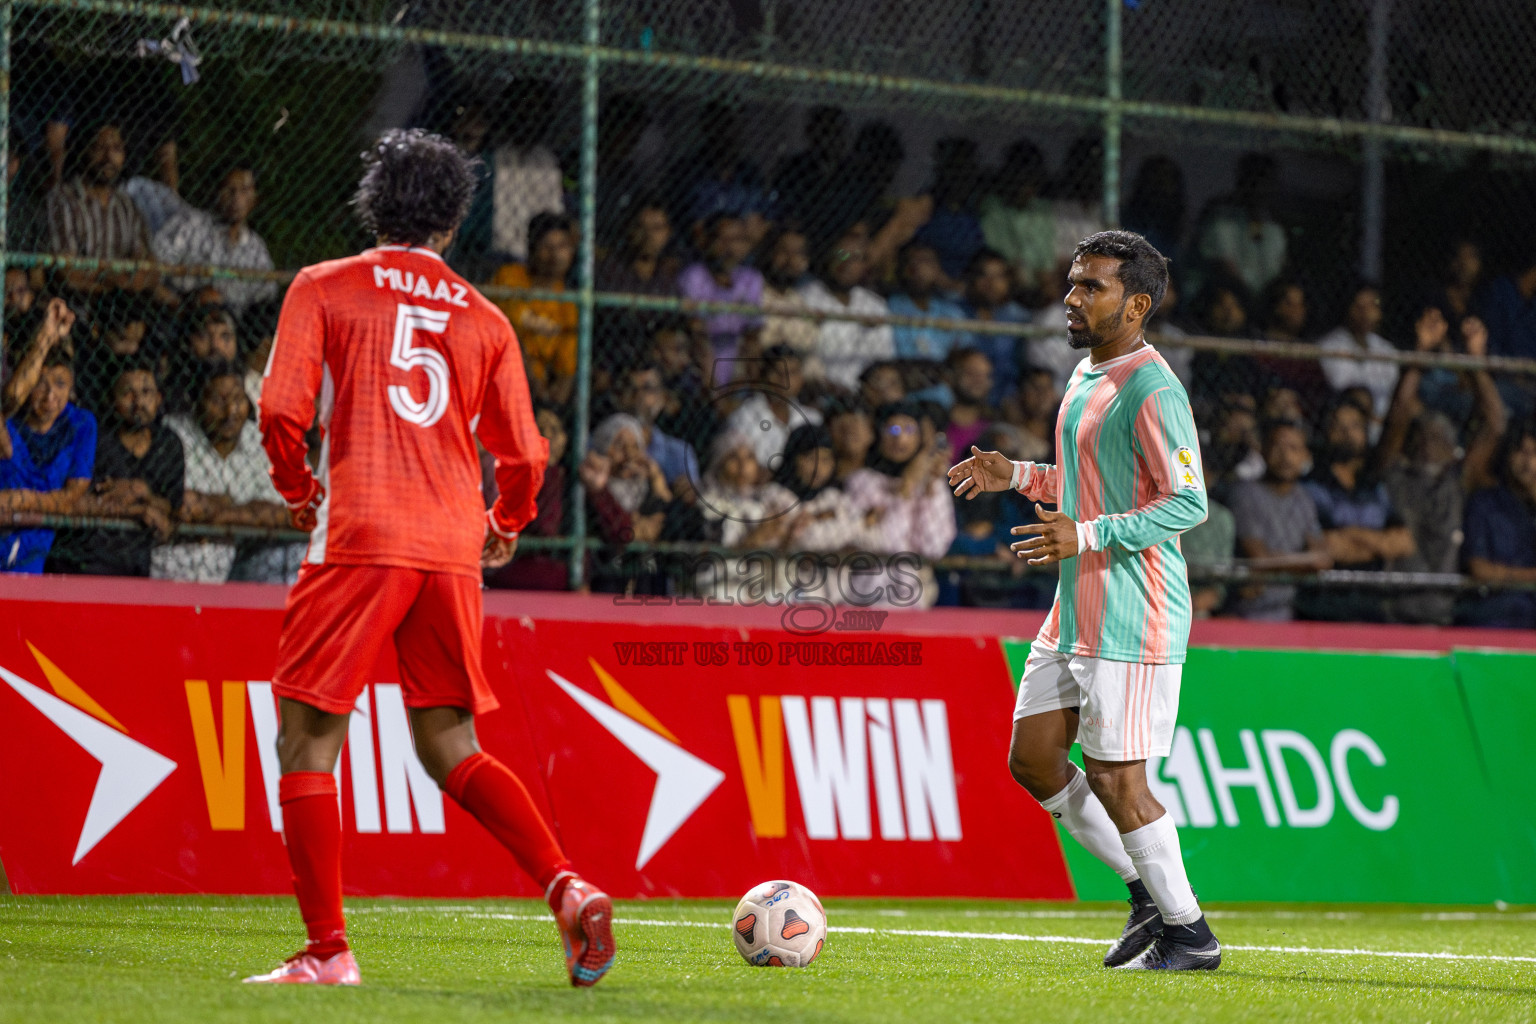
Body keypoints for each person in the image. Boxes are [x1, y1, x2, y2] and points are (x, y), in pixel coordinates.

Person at [245, 129, 613, 987]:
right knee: (450, 742)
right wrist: (507, 519)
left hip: (361, 531)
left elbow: (278, 409)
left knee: (306, 739)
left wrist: (297, 490)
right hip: (450, 546)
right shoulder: (484, 318)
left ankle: (328, 952)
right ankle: (567, 886)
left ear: (374, 203)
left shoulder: (324, 286)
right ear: (452, 221)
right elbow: (527, 450)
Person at [948, 230, 1220, 970]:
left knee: (1117, 779)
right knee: (1034, 759)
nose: (1071, 298)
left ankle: (1189, 933)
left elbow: (1188, 502)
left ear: (1135, 305)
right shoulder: (1083, 373)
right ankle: (1145, 896)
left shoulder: (1154, 388)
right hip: (1076, 607)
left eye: (1090, 287)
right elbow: (1090, 481)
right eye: (1072, 283)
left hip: (1133, 611)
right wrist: (1022, 477)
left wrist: (1089, 532)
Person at [49, 361, 184, 576]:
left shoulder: (168, 444)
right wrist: (140, 508)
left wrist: (142, 492)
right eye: (127, 393)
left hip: (135, 564)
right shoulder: (97, 439)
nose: (138, 402)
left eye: (146, 392)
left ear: (159, 398)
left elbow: (172, 506)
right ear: (111, 400)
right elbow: (79, 499)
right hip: (84, 561)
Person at [1296, 401, 1416, 621]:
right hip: (1323, 607)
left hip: (1371, 605)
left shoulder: (1374, 486)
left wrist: (1351, 534)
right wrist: (1380, 544)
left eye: (1354, 426)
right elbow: (1329, 547)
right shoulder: (1310, 486)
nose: (1347, 434)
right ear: (1325, 434)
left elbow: (1404, 543)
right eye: (1338, 427)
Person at [0, 347, 95, 572]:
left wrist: (23, 500)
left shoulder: (81, 423)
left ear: (71, 388)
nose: (50, 395)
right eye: (40, 383)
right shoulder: (9, 421)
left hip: (34, 547)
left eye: (60, 384)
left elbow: (72, 495)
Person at [1227, 419, 1331, 620]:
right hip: (1246, 613)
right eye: (1277, 446)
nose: (1285, 456)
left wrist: (1275, 562)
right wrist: (1305, 563)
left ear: (1305, 456)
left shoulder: (1305, 499)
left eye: (1293, 448)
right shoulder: (1245, 494)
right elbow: (1258, 558)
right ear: (1263, 450)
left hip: (1287, 612)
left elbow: (1322, 558)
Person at [44, 122, 160, 298]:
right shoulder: (64, 199)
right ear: (83, 151)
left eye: (116, 149)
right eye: (99, 148)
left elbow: (149, 267)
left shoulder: (126, 204)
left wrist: (126, 284)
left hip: (126, 301)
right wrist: (114, 283)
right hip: (79, 300)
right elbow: (67, 273)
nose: (108, 157)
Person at [153, 161, 278, 315]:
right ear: (216, 191)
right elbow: (149, 275)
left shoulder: (256, 248)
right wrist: (181, 305)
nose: (236, 198)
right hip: (181, 316)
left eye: (245, 190)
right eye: (229, 189)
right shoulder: (189, 225)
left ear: (255, 198)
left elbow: (266, 298)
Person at [490, 212, 578, 407]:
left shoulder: (568, 302)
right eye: (547, 246)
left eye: (562, 246)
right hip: (501, 375)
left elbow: (566, 368)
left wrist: (553, 406)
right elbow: (508, 335)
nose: (555, 255)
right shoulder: (510, 277)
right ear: (533, 248)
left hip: (538, 394)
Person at [1460, 420, 1536, 629]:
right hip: (1495, 619)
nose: (1528, 462)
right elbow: (1479, 569)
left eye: (1534, 453)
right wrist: (1530, 577)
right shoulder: (1484, 503)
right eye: (1521, 452)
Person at [798, 232, 895, 389]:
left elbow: (883, 357)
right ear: (829, 258)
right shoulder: (805, 297)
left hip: (863, 391)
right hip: (815, 388)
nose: (846, 263)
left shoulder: (875, 305)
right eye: (841, 255)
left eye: (855, 257)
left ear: (864, 265)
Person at [677, 211, 764, 383]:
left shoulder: (751, 279)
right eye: (722, 239)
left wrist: (747, 381)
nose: (729, 247)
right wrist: (712, 386)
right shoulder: (695, 276)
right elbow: (696, 332)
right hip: (699, 368)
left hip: (736, 365)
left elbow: (752, 335)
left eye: (737, 240)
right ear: (707, 241)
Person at [723, 345, 822, 473]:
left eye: (792, 372)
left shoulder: (812, 418)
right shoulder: (744, 417)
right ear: (764, 376)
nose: (784, 380)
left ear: (801, 378)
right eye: (777, 372)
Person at [1317, 282, 1400, 421]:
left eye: (1372, 306)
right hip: (1349, 419)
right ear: (1348, 308)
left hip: (1385, 422)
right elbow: (1343, 387)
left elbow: (1393, 388)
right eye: (1360, 307)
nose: (1367, 313)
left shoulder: (1387, 348)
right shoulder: (1329, 345)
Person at [962, 247, 1030, 405]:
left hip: (1009, 399)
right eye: (983, 275)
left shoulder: (1019, 317)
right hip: (967, 396)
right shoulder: (956, 313)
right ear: (971, 279)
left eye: (998, 276)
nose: (991, 283)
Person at [888, 240, 967, 360]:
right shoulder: (889, 307)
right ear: (902, 269)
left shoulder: (952, 312)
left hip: (943, 375)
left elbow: (964, 353)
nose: (918, 269)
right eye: (911, 262)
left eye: (926, 262)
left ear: (938, 270)